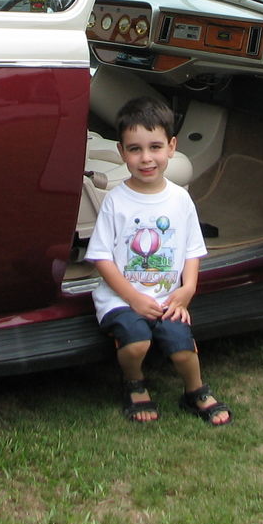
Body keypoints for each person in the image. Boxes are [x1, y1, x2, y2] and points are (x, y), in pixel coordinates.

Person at [84, 96, 232, 425]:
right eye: (135, 149)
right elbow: (101, 258)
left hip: (167, 298)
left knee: (182, 348)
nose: (146, 158)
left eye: (155, 147)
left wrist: (187, 289)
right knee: (136, 342)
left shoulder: (180, 199)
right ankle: (135, 384)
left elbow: (193, 249)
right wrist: (133, 298)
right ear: (122, 153)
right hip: (122, 299)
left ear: (172, 147)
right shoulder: (116, 202)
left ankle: (195, 391)